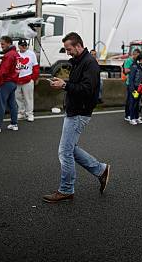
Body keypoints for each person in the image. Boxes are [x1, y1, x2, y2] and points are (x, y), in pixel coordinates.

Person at [42, 32, 110, 203]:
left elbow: (86, 89)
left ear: (78, 45)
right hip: (75, 110)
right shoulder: (80, 62)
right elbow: (77, 85)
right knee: (70, 149)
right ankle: (101, 170)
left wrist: (65, 85)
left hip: (80, 112)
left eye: (69, 49)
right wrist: (63, 83)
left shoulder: (90, 64)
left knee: (64, 152)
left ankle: (66, 190)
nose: (67, 53)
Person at [15, 40, 39, 122]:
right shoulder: (16, 54)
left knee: (28, 98)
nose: (24, 47)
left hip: (27, 79)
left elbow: (35, 66)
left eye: (25, 45)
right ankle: (21, 112)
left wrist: (34, 78)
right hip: (17, 79)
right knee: (18, 97)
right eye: (22, 45)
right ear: (19, 46)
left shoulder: (31, 54)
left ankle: (30, 113)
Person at [128, 53, 142, 125]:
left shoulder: (140, 66)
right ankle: (132, 118)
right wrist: (132, 88)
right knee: (133, 103)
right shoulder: (134, 66)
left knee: (137, 103)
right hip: (135, 87)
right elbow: (131, 78)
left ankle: (136, 117)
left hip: (139, 87)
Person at [123, 48, 141, 122]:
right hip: (130, 83)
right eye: (137, 55)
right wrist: (134, 69)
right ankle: (127, 115)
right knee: (129, 100)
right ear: (134, 54)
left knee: (135, 100)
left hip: (136, 83)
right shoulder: (128, 61)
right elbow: (126, 70)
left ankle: (134, 115)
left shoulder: (136, 61)